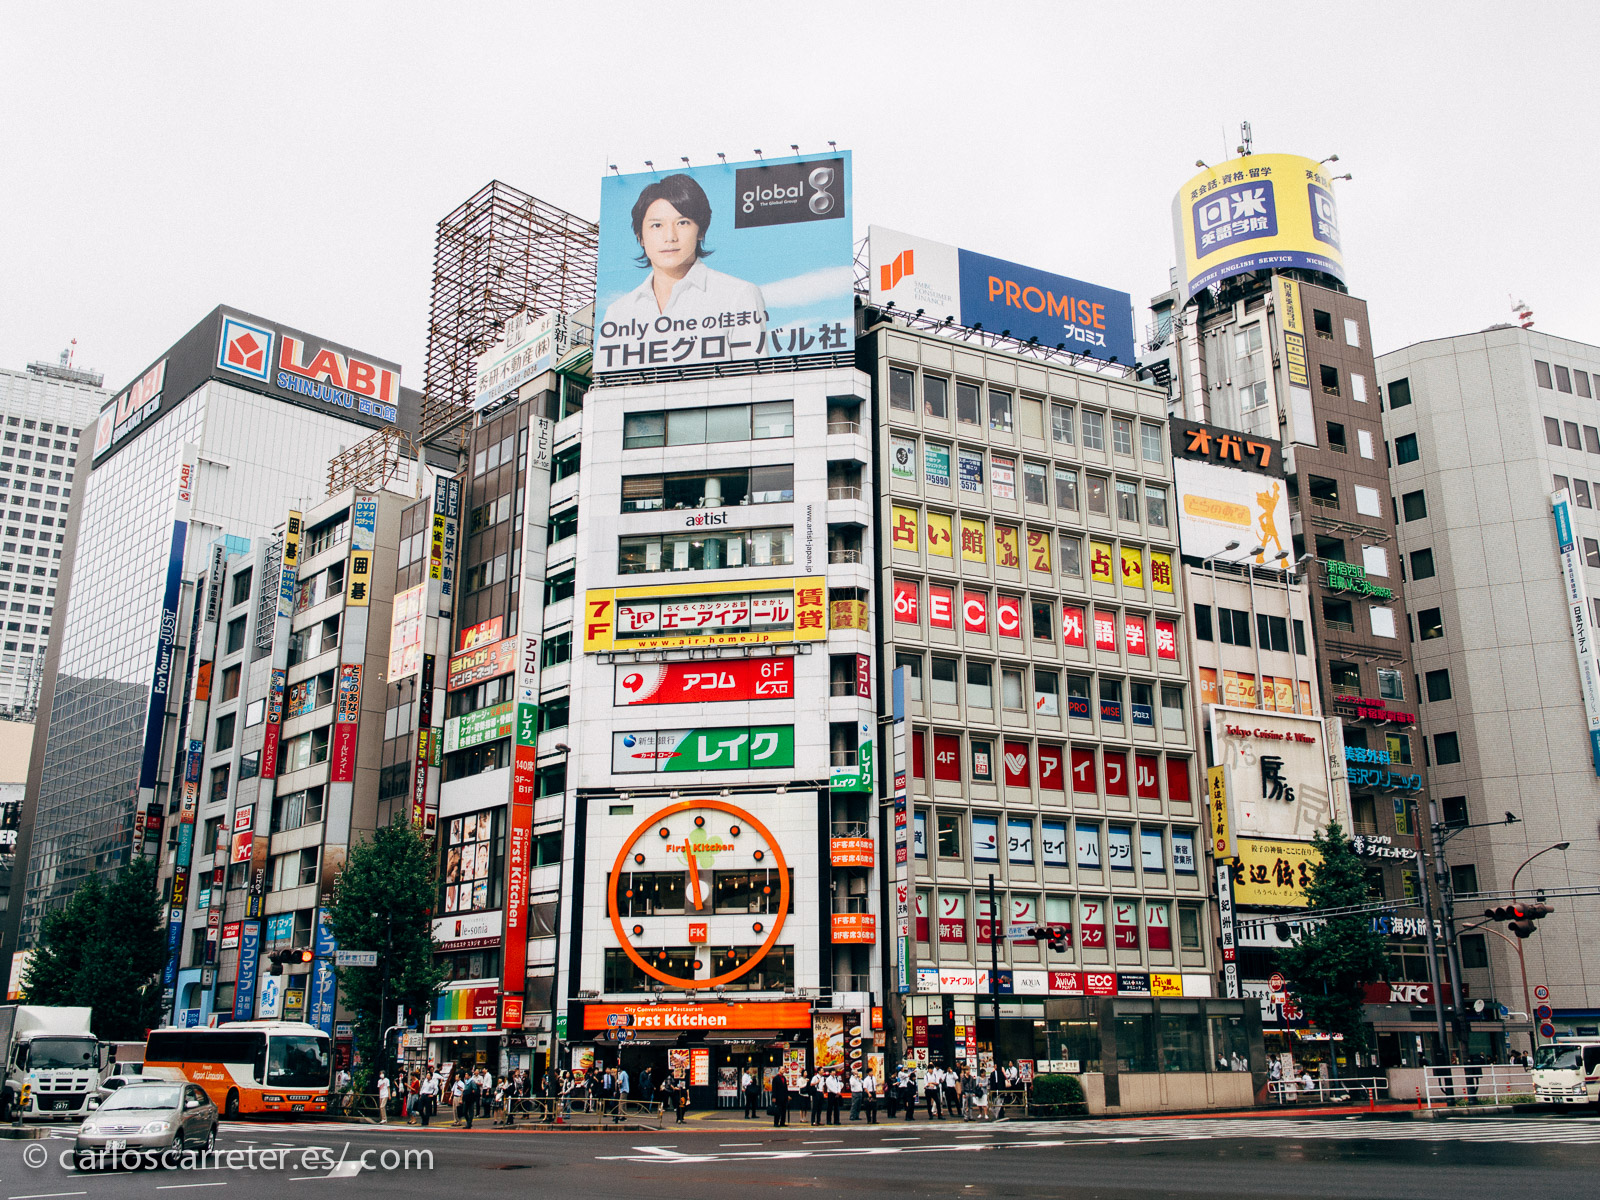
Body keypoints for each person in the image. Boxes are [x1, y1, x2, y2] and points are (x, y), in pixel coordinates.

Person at [598, 173, 768, 371]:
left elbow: (753, 381)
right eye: (657, 225)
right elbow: (606, 385)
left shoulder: (738, 295)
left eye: (682, 223)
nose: (670, 237)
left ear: (701, 230)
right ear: (640, 236)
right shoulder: (618, 313)